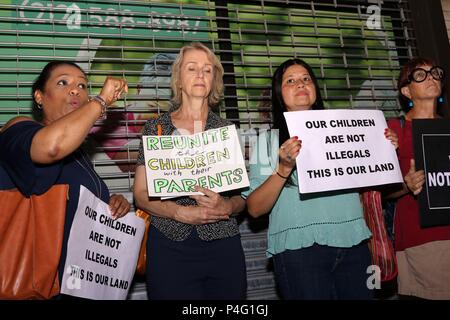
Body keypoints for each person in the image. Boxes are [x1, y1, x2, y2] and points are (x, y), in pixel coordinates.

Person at [242, 58, 398, 300]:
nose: (300, 84)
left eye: (306, 79)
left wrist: (384, 151)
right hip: (300, 253)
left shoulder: (347, 133)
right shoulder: (267, 142)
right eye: (290, 81)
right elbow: (254, 208)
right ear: (278, 94)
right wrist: (283, 168)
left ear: (315, 88)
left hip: (355, 244)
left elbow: (378, 187)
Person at [0, 61, 130, 297]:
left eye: (82, 85)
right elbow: (50, 147)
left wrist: (113, 203)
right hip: (35, 287)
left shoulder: (79, 155)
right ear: (39, 97)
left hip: (81, 285)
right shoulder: (18, 129)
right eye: (63, 82)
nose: (75, 90)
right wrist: (100, 102)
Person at [133, 42, 247, 300]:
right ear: (179, 80)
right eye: (192, 68)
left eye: (207, 70)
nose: (200, 75)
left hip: (223, 245)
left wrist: (227, 206)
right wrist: (179, 212)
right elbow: (140, 194)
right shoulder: (156, 129)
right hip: (170, 244)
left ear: (214, 80)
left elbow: (243, 199)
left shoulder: (226, 130)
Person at [387, 57, 450, 299]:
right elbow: (380, 192)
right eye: (420, 75)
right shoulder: (394, 130)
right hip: (423, 239)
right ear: (406, 90)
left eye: (434, 73)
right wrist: (406, 184)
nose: (431, 77)